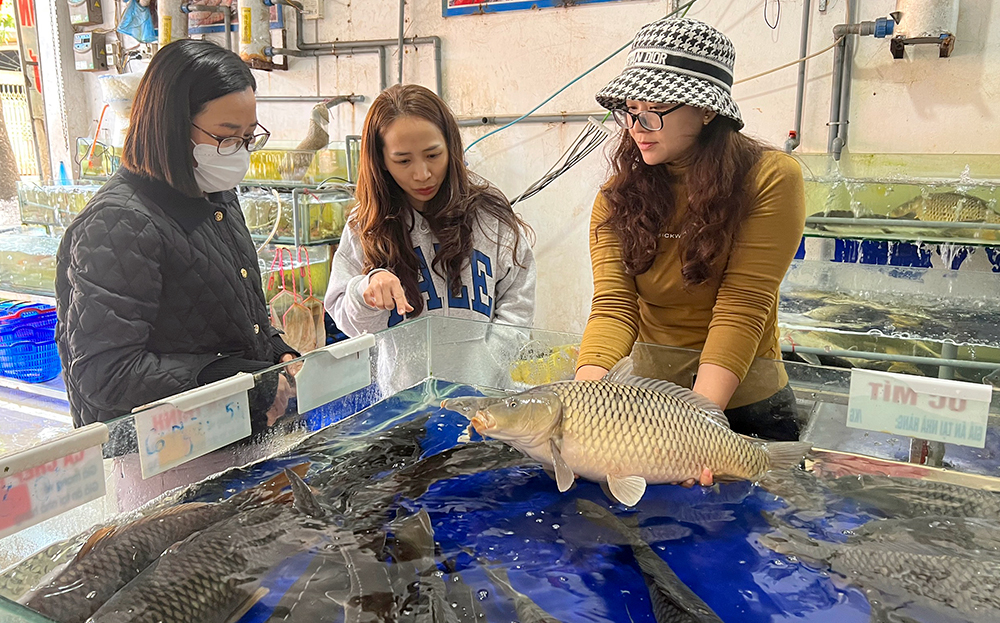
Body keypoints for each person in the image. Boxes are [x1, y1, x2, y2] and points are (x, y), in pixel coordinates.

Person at [574, 18, 806, 443]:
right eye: (629, 110)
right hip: (650, 400)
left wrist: (695, 429)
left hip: (745, 406)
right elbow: (613, 308)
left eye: (654, 112)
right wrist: (584, 405)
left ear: (706, 109)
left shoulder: (769, 178)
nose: (635, 127)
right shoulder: (617, 195)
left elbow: (742, 306)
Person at [55, 39, 296, 433]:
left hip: (230, 430)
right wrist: (238, 379)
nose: (238, 152)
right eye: (226, 136)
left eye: (249, 137)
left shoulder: (213, 193)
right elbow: (105, 373)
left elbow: (230, 310)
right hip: (162, 454)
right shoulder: (119, 223)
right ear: (171, 126)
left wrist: (275, 351)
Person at [325, 84, 536, 339]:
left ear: (451, 147)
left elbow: (518, 308)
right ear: (381, 160)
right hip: (403, 380)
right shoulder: (365, 225)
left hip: (482, 380)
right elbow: (347, 323)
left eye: (433, 155)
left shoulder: (490, 217)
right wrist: (364, 290)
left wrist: (487, 365)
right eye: (403, 161)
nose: (422, 174)